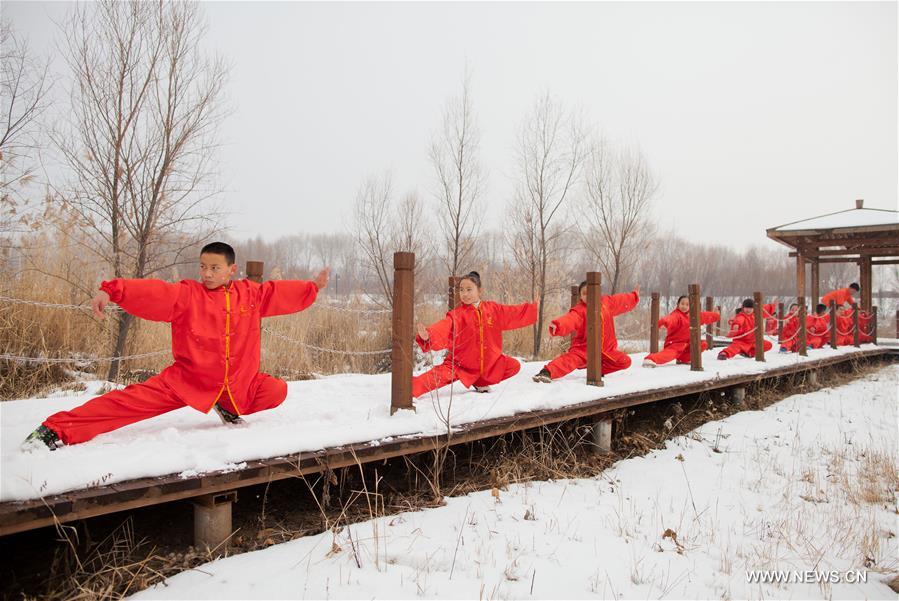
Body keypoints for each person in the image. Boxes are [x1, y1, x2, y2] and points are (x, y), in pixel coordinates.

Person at [24, 242, 329, 450]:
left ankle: (226, 404)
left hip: (237, 384)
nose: (207, 273)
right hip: (187, 380)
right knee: (126, 402)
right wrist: (113, 291)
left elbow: (278, 292)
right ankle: (55, 429)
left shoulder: (250, 295)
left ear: (231, 270)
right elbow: (154, 293)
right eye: (203, 267)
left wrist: (312, 287)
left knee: (276, 390)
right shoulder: (187, 295)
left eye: (214, 268)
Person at [413, 271, 538, 397]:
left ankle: (479, 381)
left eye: (469, 289)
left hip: (487, 365)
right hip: (460, 365)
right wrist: (429, 335)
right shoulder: (457, 315)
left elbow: (513, 313)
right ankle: (409, 390)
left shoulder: (493, 309)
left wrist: (532, 307)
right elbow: (444, 327)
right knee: (435, 378)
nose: (465, 294)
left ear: (479, 291)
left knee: (513, 365)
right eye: (461, 290)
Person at [533, 283, 639, 382]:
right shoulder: (580, 310)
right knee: (569, 361)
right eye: (584, 293)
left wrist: (634, 296)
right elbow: (570, 319)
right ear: (581, 297)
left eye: (591, 292)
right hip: (584, 348)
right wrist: (558, 325)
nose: (588, 296)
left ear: (598, 293)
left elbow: (621, 301)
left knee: (625, 361)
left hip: (606, 350)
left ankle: (597, 371)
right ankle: (547, 373)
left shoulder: (607, 303)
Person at [642, 294, 718, 367]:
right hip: (674, 345)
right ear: (678, 304)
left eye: (687, 304)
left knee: (702, 344)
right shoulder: (677, 315)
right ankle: (650, 359)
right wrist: (664, 322)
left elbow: (705, 316)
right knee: (668, 355)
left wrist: (716, 315)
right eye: (682, 304)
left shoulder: (693, 315)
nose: (684, 306)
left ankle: (683, 359)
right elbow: (671, 319)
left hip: (686, 345)